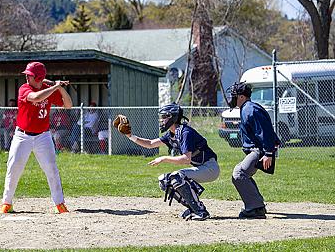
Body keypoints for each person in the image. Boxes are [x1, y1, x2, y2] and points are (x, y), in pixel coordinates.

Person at [117, 103, 220, 221]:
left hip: (210, 168)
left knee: (177, 176)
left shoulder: (185, 132)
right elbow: (150, 144)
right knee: (164, 181)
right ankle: (193, 207)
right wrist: (130, 136)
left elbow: (186, 159)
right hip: (201, 168)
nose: (162, 120)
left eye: (164, 117)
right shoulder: (171, 134)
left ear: (173, 117)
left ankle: (200, 211)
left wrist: (164, 158)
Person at [0, 62, 73, 214]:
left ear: (38, 78)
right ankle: (7, 202)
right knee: (14, 167)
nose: (26, 77)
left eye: (30, 75)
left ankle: (59, 203)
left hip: (43, 136)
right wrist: (53, 87)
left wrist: (60, 87)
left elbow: (68, 105)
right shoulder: (25, 88)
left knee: (51, 168)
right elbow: (36, 98)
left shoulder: (49, 89)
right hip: (22, 136)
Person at [227, 82, 280, 219]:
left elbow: (265, 132)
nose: (232, 98)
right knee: (243, 173)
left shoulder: (250, 109)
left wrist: (268, 153)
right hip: (257, 150)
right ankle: (257, 205)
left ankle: (255, 208)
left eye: (234, 96)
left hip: (260, 150)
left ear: (242, 97)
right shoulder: (247, 108)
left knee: (239, 174)